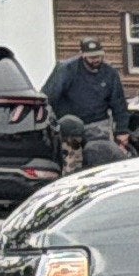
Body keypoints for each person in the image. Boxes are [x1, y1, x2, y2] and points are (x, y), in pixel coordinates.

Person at [39, 30, 130, 171]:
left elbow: (119, 103)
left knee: (100, 158)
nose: (96, 60)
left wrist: (122, 130)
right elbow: (48, 96)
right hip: (70, 126)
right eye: (91, 57)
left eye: (98, 56)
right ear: (82, 54)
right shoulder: (66, 70)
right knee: (73, 163)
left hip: (98, 124)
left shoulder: (110, 73)